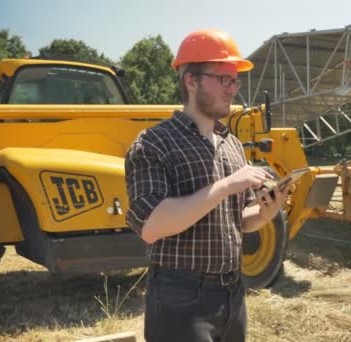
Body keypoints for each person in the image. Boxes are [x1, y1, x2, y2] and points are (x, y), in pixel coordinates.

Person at [125, 29, 289, 342]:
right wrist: (228, 184)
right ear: (192, 80)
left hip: (232, 292)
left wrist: (267, 212)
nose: (233, 90)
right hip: (180, 295)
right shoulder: (154, 143)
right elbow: (151, 225)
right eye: (224, 79)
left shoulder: (232, 145)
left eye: (235, 81)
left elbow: (237, 221)